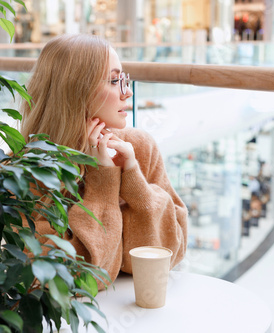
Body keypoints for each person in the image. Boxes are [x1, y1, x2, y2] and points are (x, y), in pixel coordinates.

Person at [20, 34, 188, 289]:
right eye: (113, 81)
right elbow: (73, 280)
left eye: (124, 79)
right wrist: (102, 186)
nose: (127, 92)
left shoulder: (138, 148)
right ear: (74, 91)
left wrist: (136, 186)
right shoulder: (30, 170)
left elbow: (168, 254)